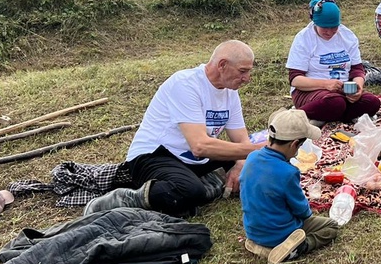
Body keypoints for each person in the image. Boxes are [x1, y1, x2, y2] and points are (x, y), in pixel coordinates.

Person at [85, 40, 262, 218]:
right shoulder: (185, 84)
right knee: (190, 190)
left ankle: (193, 193)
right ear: (222, 65)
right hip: (155, 156)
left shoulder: (230, 92)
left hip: (194, 160)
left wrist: (241, 164)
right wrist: (258, 148)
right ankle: (124, 198)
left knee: (258, 168)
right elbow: (200, 146)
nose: (247, 78)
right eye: (242, 71)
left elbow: (241, 140)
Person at [241, 108, 339, 264]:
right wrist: (307, 211)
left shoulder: (251, 158)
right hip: (280, 233)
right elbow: (302, 211)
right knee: (331, 227)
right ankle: (296, 248)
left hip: (253, 230)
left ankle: (259, 246)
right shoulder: (288, 172)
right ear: (294, 144)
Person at [288, 0, 381, 123]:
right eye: (324, 28)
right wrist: (325, 84)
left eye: (334, 27)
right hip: (312, 91)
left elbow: (357, 69)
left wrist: (358, 88)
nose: (329, 32)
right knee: (335, 103)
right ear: (315, 22)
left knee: (373, 102)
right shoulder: (303, 39)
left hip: (342, 91)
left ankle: (324, 115)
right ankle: (295, 116)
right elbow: (295, 79)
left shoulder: (347, 36)